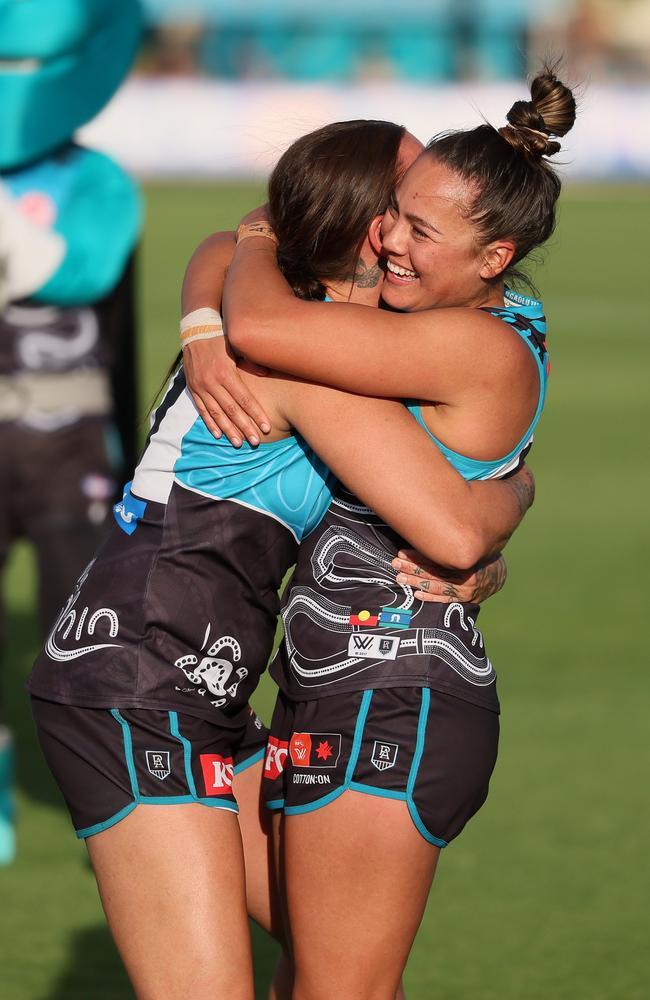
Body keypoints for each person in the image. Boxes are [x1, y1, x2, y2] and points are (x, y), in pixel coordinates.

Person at [27, 120, 531, 1000]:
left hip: (205, 687)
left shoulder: (322, 329)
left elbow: (233, 243)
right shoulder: (286, 346)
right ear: (368, 223)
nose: (411, 221)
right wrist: (492, 521)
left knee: (343, 969)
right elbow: (454, 520)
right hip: (134, 676)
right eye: (402, 202)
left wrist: (509, 504)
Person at [185, 67, 574, 999]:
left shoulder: (470, 342)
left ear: (495, 258)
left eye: (420, 229)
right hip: (339, 686)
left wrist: (248, 253)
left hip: (393, 693)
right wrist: (210, 319)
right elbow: (226, 268)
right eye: (393, 212)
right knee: (315, 980)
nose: (387, 238)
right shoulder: (462, 319)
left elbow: (263, 321)